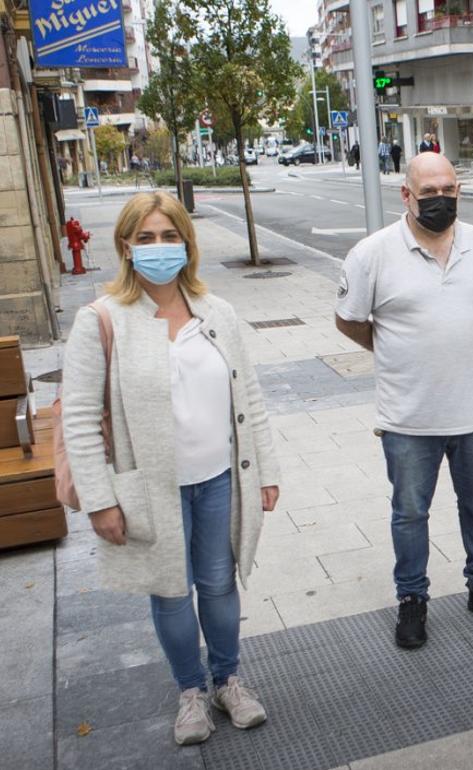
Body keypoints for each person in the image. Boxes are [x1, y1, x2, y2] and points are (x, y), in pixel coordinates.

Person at [61, 192, 280, 746]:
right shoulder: (102, 320)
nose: (159, 247)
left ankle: (228, 679)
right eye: (147, 238)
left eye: (169, 236)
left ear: (187, 243)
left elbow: (248, 397)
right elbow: (81, 419)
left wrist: (267, 471)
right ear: (126, 247)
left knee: (219, 584)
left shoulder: (217, 312)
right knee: (171, 591)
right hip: (150, 487)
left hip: (219, 478)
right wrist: (100, 500)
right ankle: (191, 692)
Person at [335, 152, 473, 649]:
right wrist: (397, 349)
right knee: (409, 513)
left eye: (450, 190)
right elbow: (349, 318)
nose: (441, 200)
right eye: (429, 193)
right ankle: (412, 600)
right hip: (408, 416)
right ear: (406, 196)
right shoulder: (372, 254)